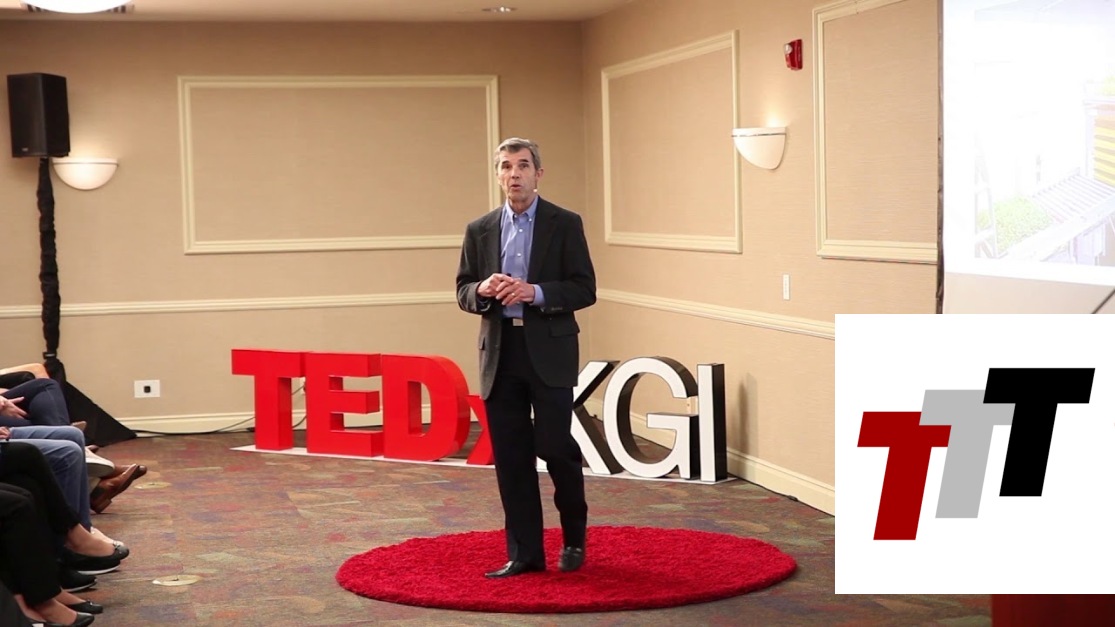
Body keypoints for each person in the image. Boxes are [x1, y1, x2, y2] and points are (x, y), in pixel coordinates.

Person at [455, 137, 597, 577]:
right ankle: (525, 554)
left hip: (549, 352)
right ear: (498, 174)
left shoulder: (564, 223)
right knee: (512, 458)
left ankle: (574, 537)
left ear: (538, 173)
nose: (513, 174)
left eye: (522, 165)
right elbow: (462, 289)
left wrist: (534, 292)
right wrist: (482, 289)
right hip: (501, 355)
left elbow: (584, 288)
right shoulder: (479, 229)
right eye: (505, 166)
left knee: (555, 447)